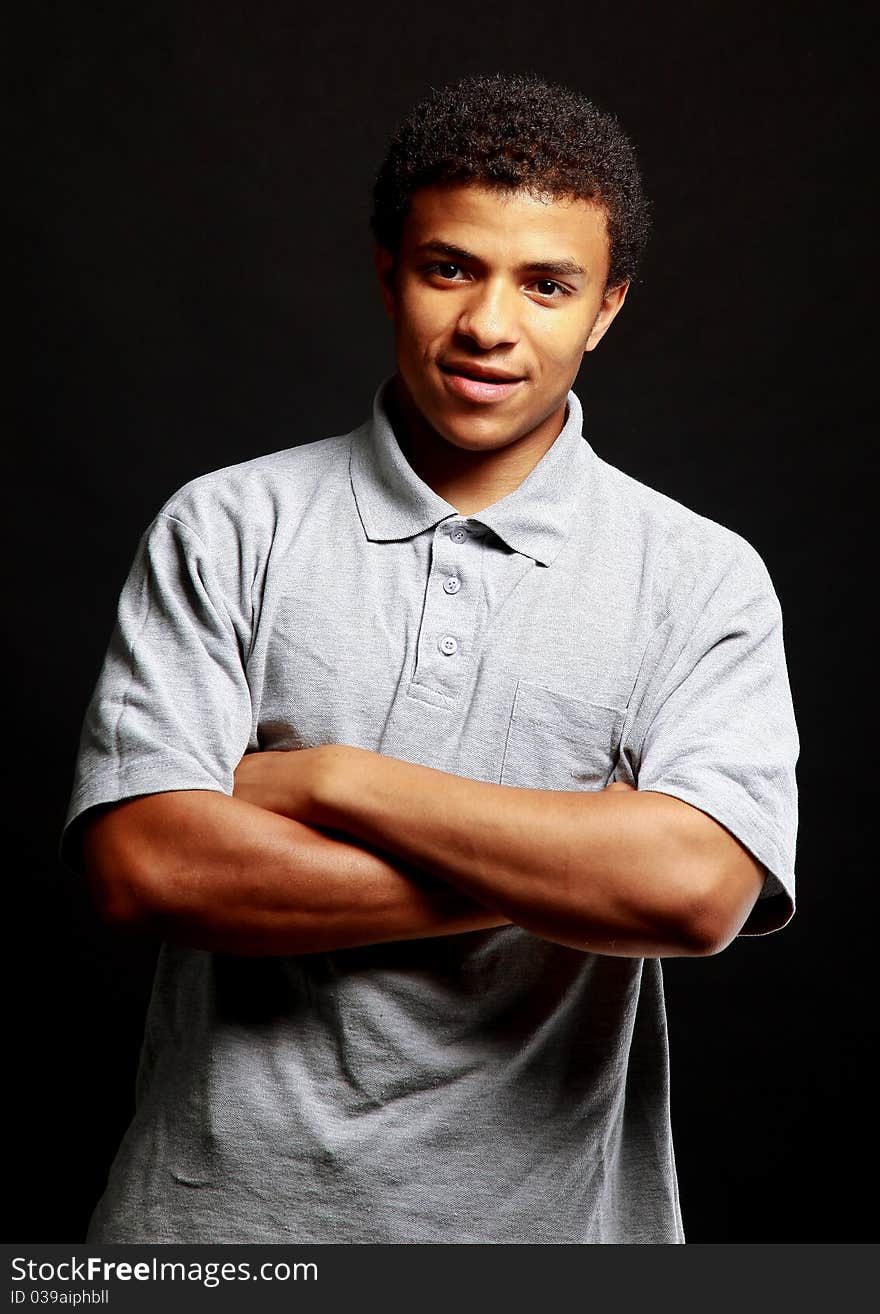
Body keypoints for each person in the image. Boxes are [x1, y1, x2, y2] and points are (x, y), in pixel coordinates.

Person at [60, 72, 799, 1244]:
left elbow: (696, 891)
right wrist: (572, 859)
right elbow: (148, 869)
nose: (489, 326)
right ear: (387, 268)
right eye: (450, 267)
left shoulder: (699, 575)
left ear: (606, 306)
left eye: (547, 285)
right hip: (210, 1240)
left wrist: (333, 783)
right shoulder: (226, 525)